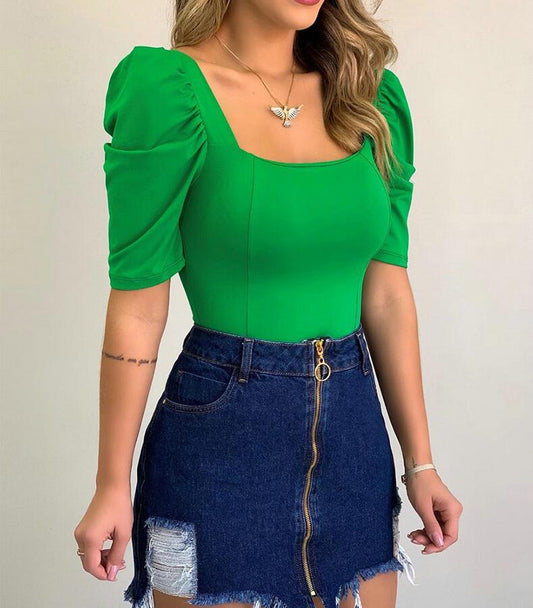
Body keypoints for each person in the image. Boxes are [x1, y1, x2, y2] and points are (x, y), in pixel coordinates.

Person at [74, 2, 463, 608]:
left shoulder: (369, 98)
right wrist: (110, 483)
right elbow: (138, 305)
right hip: (221, 437)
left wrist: (421, 464)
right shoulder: (168, 92)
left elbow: (386, 291)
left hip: (354, 441)